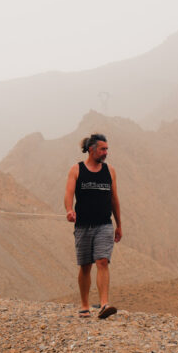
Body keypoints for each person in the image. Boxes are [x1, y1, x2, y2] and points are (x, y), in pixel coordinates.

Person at [64, 133, 122, 319]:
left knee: (102, 261)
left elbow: (114, 199)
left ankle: (104, 304)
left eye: (107, 149)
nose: (106, 152)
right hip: (83, 226)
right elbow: (68, 193)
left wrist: (119, 224)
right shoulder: (77, 169)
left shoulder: (109, 171)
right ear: (91, 149)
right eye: (102, 149)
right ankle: (84, 305)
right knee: (85, 266)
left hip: (104, 224)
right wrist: (69, 210)